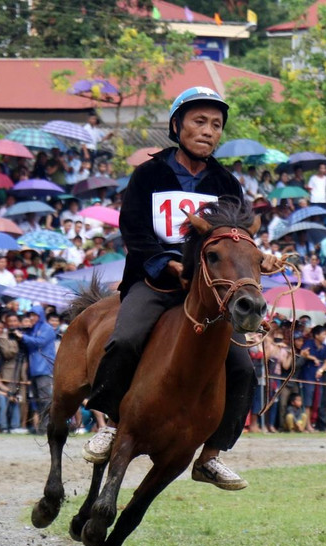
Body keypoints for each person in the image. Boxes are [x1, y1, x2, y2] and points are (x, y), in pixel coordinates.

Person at [83, 86, 255, 491]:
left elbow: (235, 236)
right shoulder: (148, 174)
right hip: (153, 282)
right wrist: (170, 264)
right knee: (125, 339)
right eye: (199, 121)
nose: (208, 130)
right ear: (177, 126)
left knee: (244, 368)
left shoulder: (226, 182)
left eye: (216, 125)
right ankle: (108, 423)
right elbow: (136, 232)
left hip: (209, 293)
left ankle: (211, 455)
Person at [11, 305, 56, 433]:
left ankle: (48, 427)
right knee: (37, 400)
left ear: (40, 315)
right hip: (34, 369)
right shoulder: (32, 329)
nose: (31, 318)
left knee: (45, 399)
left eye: (34, 315)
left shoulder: (47, 328)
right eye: (30, 315)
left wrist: (22, 337)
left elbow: (39, 342)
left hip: (44, 368)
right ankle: (41, 427)